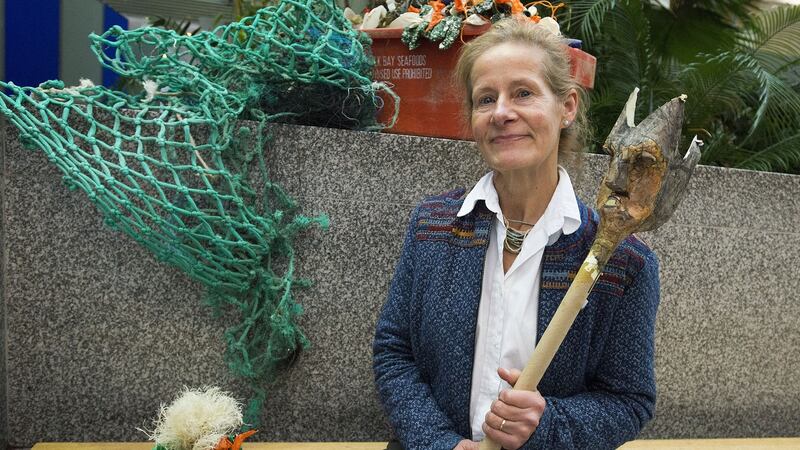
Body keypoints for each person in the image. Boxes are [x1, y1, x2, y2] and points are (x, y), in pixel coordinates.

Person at [373, 16, 660, 450]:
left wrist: (546, 424)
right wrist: (438, 443)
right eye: (485, 99)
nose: (502, 112)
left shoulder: (621, 261)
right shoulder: (433, 225)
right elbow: (394, 352)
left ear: (567, 107)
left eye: (523, 92)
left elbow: (628, 401)